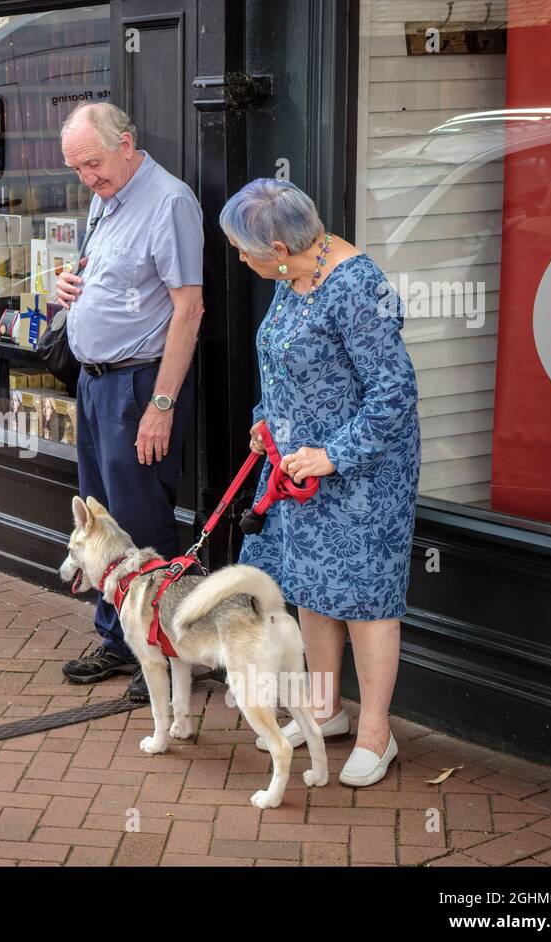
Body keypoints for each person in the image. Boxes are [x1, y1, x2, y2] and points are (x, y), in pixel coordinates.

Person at [219, 178, 420, 787]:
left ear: (277, 245)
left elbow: (394, 393)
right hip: (295, 469)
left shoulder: (356, 286)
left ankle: (375, 736)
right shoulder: (292, 275)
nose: (239, 258)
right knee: (311, 590)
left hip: (363, 475)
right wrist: (265, 425)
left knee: (366, 603)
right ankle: (327, 710)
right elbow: (282, 367)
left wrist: (332, 455)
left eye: (243, 248)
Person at [54, 102, 205, 701]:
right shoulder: (104, 195)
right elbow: (113, 278)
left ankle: (168, 656)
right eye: (77, 169)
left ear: (127, 143)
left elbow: (188, 310)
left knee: (141, 521)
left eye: (92, 163)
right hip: (93, 382)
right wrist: (70, 286)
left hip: (138, 386)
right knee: (101, 522)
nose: (87, 178)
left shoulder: (169, 202)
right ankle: (120, 641)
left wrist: (161, 405)